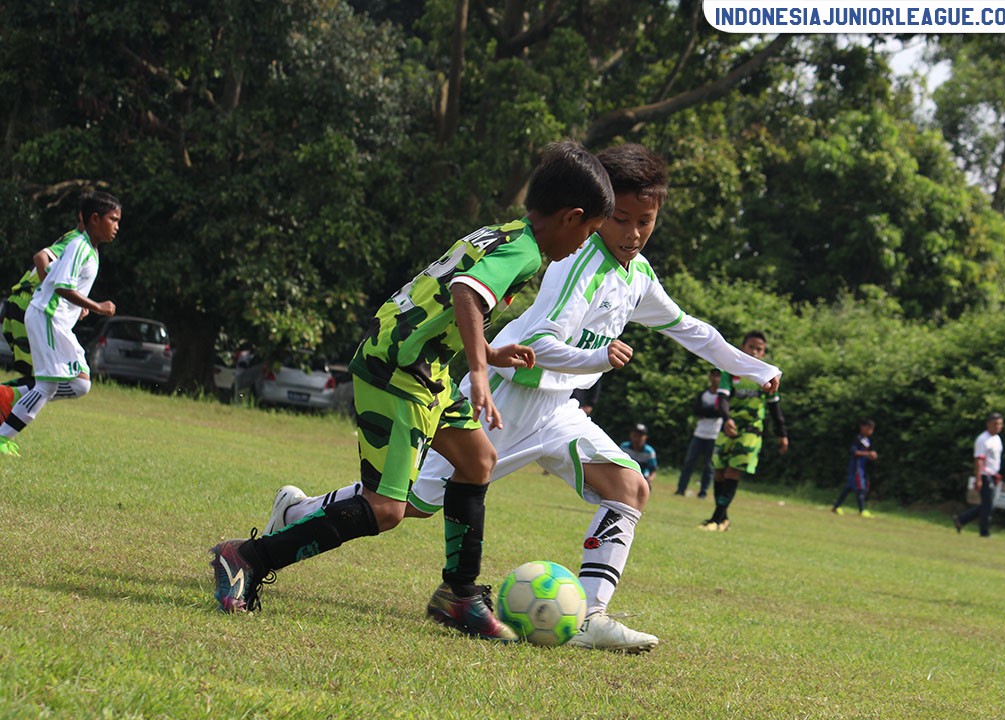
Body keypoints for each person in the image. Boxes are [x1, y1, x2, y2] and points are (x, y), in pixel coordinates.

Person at [264, 144, 781, 653]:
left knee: (629, 486)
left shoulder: (639, 276)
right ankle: (297, 513)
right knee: (415, 502)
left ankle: (590, 617)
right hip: (508, 404)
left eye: (646, 221)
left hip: (558, 413)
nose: (634, 233)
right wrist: (596, 361)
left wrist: (755, 369)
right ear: (593, 215)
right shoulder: (572, 263)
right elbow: (539, 345)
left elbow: (691, 329)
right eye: (621, 219)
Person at [208, 140, 614, 642]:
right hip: (398, 369)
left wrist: (485, 352)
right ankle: (246, 557)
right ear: (573, 217)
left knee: (477, 462)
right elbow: (466, 292)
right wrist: (482, 374)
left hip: (427, 367)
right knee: (385, 510)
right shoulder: (527, 251)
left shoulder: (504, 232)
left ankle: (458, 595)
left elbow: (442, 299)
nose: (583, 245)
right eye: (590, 232)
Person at [0, 191, 120, 458]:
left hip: (57, 322)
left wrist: (77, 308)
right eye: (113, 219)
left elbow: (63, 285)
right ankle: (2, 435)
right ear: (94, 218)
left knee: (80, 384)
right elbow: (61, 285)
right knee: (46, 385)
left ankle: (10, 394)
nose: (117, 227)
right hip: (47, 318)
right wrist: (96, 306)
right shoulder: (78, 244)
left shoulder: (90, 250)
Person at [700, 331, 789, 532]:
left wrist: (782, 434)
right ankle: (722, 518)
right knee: (719, 471)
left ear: (764, 352)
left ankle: (715, 519)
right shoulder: (730, 371)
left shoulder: (766, 375)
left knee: (733, 470)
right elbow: (722, 399)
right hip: (729, 427)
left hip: (751, 431)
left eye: (760, 349)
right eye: (751, 347)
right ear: (743, 348)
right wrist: (727, 419)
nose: (755, 352)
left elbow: (775, 408)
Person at [2, 225, 87, 388]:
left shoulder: (80, 243)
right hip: (28, 304)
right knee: (45, 379)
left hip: (24, 303)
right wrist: (48, 294)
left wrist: (76, 303)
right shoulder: (77, 240)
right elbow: (41, 258)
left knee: (41, 378)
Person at [953, 412, 1005, 538]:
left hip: (993, 474)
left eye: (1000, 424)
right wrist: (978, 478)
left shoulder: (997, 439)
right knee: (988, 506)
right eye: (995, 424)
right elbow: (979, 460)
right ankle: (984, 532)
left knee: (988, 505)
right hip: (984, 474)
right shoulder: (983, 439)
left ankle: (961, 519)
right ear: (988, 424)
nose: (998, 427)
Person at [675, 368, 724, 498]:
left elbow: (720, 412)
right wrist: (711, 410)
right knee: (689, 462)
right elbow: (696, 410)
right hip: (699, 433)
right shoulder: (703, 394)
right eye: (713, 375)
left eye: (718, 376)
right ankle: (681, 489)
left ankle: (703, 492)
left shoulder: (722, 396)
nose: (715, 379)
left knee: (709, 466)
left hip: (714, 435)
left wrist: (706, 411)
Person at [831, 419, 878, 516]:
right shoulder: (857, 439)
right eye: (868, 428)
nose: (870, 431)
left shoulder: (867, 440)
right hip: (856, 467)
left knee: (849, 487)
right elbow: (854, 452)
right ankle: (862, 510)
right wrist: (868, 453)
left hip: (862, 467)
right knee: (860, 487)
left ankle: (836, 506)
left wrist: (870, 457)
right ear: (862, 427)